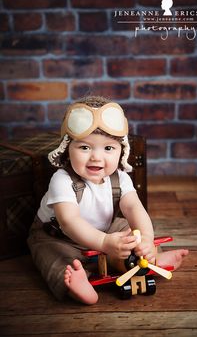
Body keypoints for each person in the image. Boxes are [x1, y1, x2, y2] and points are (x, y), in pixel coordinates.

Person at [27, 96, 188, 305]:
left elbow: (133, 207)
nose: (96, 157)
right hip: (58, 236)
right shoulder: (62, 179)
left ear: (122, 151)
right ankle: (76, 283)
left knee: (130, 235)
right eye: (85, 147)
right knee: (57, 258)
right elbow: (69, 221)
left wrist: (146, 237)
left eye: (108, 148)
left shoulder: (119, 178)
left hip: (106, 228)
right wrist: (104, 243)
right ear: (67, 148)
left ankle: (150, 258)